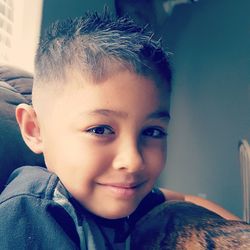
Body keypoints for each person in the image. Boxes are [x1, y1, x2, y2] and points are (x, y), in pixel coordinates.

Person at [0, 10, 239, 249]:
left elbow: (187, 199)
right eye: (100, 130)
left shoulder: (125, 198)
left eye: (152, 132)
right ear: (35, 130)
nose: (133, 161)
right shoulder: (35, 204)